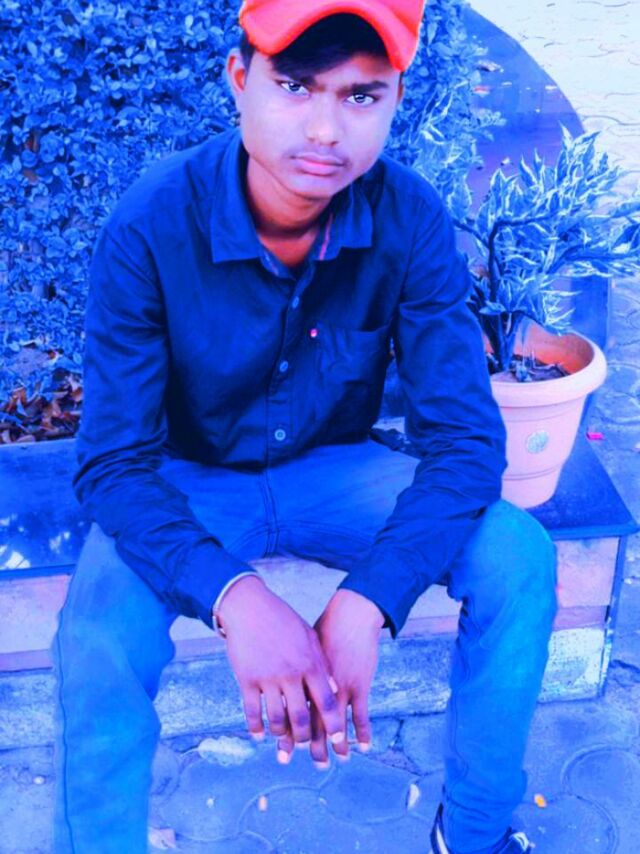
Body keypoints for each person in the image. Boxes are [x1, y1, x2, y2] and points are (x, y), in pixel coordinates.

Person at [50, 1, 559, 851]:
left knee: (518, 555)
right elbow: (111, 464)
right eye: (295, 85)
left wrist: (370, 600)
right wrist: (235, 597)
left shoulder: (409, 218)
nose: (326, 130)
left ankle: (472, 833)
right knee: (98, 631)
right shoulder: (152, 221)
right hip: (191, 481)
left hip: (335, 470)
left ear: (395, 101)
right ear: (239, 79)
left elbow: (467, 443)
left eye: (361, 96)